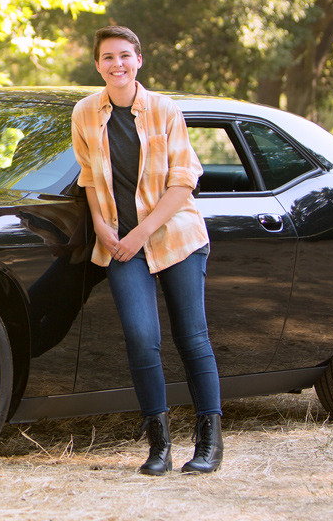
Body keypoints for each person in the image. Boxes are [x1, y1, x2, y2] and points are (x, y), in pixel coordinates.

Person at [70, 25, 223, 475]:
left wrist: (141, 232)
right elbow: (90, 179)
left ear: (138, 59)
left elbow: (183, 183)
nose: (116, 64)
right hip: (120, 245)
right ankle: (159, 446)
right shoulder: (84, 113)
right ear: (97, 65)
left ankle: (209, 443)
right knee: (141, 339)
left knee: (191, 337)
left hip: (175, 235)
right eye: (107, 58)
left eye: (124, 55)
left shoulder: (163, 109)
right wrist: (102, 226)